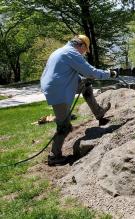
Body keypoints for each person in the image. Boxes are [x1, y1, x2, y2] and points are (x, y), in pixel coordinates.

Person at [40, 35, 117, 166]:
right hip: (58, 89)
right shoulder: (72, 53)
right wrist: (110, 73)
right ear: (81, 45)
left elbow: (65, 72)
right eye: (84, 50)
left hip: (54, 85)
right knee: (64, 126)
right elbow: (91, 72)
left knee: (86, 86)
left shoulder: (60, 51)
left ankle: (99, 113)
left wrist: (83, 80)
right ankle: (54, 157)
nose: (83, 54)